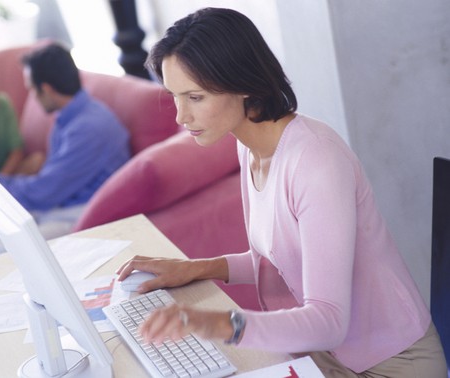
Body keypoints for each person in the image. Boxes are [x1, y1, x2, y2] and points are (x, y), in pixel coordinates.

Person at [115, 8, 448, 377]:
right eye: (174, 96)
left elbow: (329, 320)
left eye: (195, 97)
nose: (180, 116)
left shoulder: (316, 161)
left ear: (241, 83)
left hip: (390, 364)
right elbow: (275, 260)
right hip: (323, 354)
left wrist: (217, 324)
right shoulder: (250, 145)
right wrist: (193, 269)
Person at [0, 42, 130, 268]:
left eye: (32, 90)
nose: (33, 97)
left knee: (2, 250)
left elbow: (44, 191)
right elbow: (45, 187)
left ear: (46, 89)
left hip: (75, 215)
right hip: (49, 204)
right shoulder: (68, 118)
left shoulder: (89, 129)